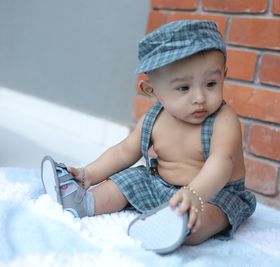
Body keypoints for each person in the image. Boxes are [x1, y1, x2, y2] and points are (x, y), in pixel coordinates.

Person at [42, 20, 256, 247]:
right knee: (130, 179)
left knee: (212, 214)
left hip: (212, 192)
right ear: (151, 91)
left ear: (224, 75)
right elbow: (124, 151)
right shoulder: (154, 120)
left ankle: (182, 229)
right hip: (161, 184)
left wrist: (194, 194)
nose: (199, 97)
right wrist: (89, 174)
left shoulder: (223, 121)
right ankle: (84, 202)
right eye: (184, 88)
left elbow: (221, 163)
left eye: (211, 83)